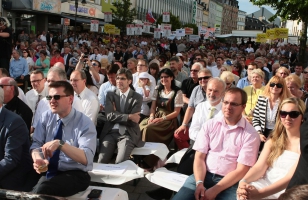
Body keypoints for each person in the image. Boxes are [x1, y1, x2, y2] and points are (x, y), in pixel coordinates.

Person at [173, 88, 260, 200]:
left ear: (243, 107)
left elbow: (242, 170)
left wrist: (215, 190)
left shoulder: (251, 134)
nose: (228, 107)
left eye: (233, 104)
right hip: (203, 175)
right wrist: (199, 183)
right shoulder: (209, 125)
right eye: (226, 102)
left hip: (231, 183)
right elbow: (199, 157)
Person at [31, 81, 96, 197]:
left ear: (70, 99)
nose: (52, 101)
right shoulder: (46, 117)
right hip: (47, 169)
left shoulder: (84, 123)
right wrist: (37, 159)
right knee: (19, 183)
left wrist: (61, 144)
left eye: (56, 97)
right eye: (49, 97)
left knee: (42, 190)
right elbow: (36, 144)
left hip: (75, 173)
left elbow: (86, 158)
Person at [237, 98, 304, 199]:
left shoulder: (304, 145)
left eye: (293, 114)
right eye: (283, 113)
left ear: (302, 117)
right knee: (243, 195)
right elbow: (259, 167)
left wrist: (260, 194)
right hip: (264, 184)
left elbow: (290, 177)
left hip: (287, 190)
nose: (287, 118)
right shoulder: (274, 139)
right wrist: (243, 182)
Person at [98, 68, 143, 164]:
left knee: (120, 163)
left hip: (128, 134)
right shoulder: (110, 95)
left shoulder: (137, 97)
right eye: (117, 78)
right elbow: (109, 116)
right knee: (101, 161)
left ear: (129, 81)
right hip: (111, 132)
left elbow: (133, 121)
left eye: (122, 79)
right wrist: (129, 116)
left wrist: (116, 113)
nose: (118, 81)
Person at [139, 68, 183, 167]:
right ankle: (139, 156)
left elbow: (176, 112)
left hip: (169, 120)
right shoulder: (158, 89)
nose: (163, 79)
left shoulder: (177, 92)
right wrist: (151, 117)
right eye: (161, 77)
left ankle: (149, 160)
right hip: (157, 115)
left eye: (166, 77)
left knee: (149, 129)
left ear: (171, 77)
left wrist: (162, 119)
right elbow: (153, 106)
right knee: (141, 126)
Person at [32, 67, 84, 133]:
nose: (50, 84)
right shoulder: (43, 102)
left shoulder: (75, 101)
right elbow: (36, 127)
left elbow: (79, 129)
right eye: (48, 81)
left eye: (53, 81)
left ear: (64, 82)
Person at [174, 69, 212, 149]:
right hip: (196, 124)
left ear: (211, 78)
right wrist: (184, 124)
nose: (202, 80)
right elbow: (190, 108)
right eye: (200, 78)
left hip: (211, 126)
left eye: (205, 78)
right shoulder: (196, 89)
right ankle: (189, 153)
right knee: (178, 135)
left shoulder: (216, 90)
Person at [253, 76, 291, 150]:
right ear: (269, 85)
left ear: (283, 88)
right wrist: (259, 133)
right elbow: (256, 119)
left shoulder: (285, 102)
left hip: (279, 134)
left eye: (279, 85)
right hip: (262, 133)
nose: (275, 87)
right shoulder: (261, 99)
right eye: (272, 84)